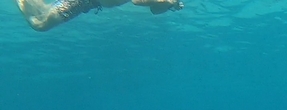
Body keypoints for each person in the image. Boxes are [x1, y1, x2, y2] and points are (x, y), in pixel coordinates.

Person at [17, 0, 183, 31]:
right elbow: (137, 1)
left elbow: (155, 10)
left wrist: (169, 4)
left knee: (42, 15)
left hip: (89, 3)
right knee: (40, 24)